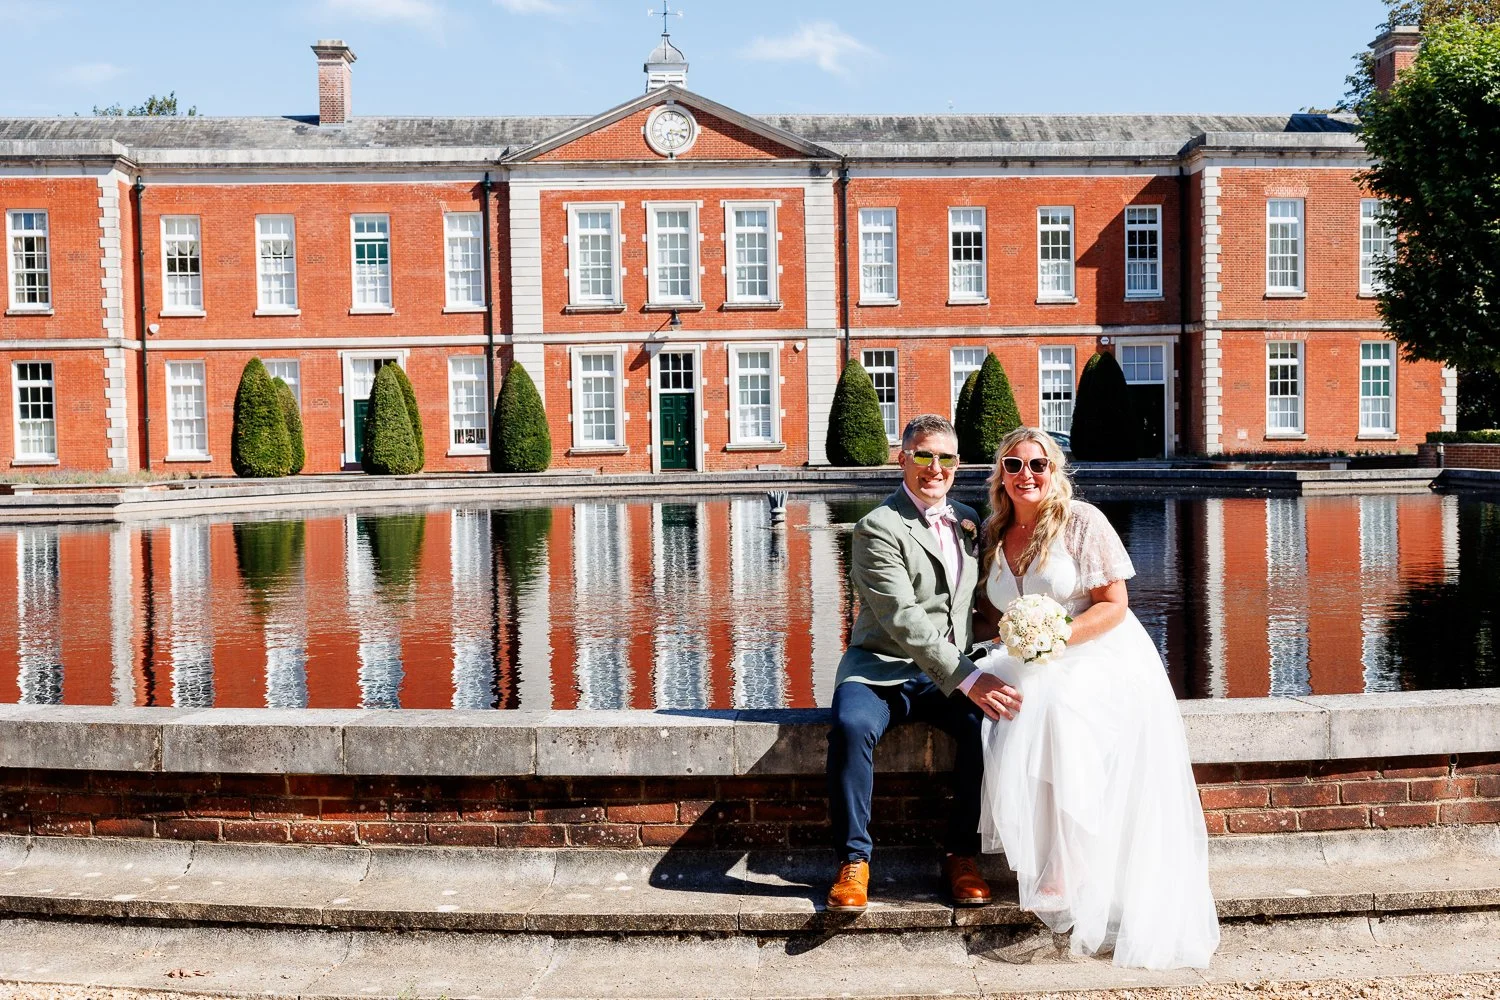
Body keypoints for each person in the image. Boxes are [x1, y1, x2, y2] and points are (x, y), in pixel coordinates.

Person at [974, 426, 1219, 970]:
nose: (1026, 476)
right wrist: (1006, 638)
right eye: (1013, 465)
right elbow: (994, 609)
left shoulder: (1081, 523)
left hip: (1095, 652)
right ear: (1001, 475)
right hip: (1025, 654)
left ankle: (1066, 862)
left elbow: (1114, 605)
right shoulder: (993, 530)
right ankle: (1036, 854)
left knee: (1052, 708)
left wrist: (1056, 635)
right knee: (1000, 701)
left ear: (1055, 472)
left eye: (1038, 465)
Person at [826, 413, 1023, 914]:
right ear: (903, 459)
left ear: (957, 465)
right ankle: (854, 861)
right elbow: (902, 619)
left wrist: (1029, 634)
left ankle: (961, 855)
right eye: (923, 455)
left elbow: (974, 606)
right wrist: (968, 677)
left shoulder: (967, 520)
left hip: (947, 671)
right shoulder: (876, 527)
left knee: (987, 726)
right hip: (879, 668)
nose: (934, 467)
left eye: (945, 458)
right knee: (850, 727)